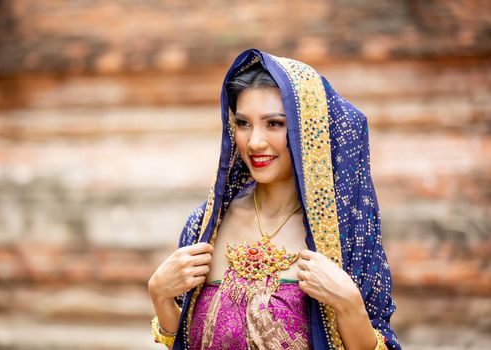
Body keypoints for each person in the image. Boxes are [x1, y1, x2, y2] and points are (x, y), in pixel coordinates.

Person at [148, 48, 401, 350]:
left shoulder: (343, 234)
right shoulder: (205, 227)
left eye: (274, 124)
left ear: (307, 131)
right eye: (243, 123)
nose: (254, 142)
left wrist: (349, 303)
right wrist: (160, 296)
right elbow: (188, 341)